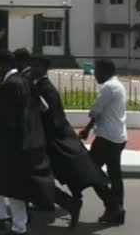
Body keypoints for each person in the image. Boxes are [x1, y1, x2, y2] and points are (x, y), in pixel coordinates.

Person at [0, 51, 54, 235]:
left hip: (10, 145)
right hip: (26, 142)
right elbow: (43, 107)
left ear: (2, 66)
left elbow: (2, 121)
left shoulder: (10, 86)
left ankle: (18, 227)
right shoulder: (25, 81)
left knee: (13, 187)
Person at [30, 56, 110, 228]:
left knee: (76, 175)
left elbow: (49, 115)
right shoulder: (40, 86)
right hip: (57, 139)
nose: (33, 68)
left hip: (56, 140)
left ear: (44, 68)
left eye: (37, 65)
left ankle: (78, 204)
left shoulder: (45, 89)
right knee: (72, 175)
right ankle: (54, 203)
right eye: (33, 65)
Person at [78, 59, 127, 225]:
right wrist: (88, 129)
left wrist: (86, 129)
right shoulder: (119, 85)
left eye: (97, 71)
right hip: (119, 137)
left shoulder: (108, 87)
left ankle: (113, 206)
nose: (95, 75)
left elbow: (95, 110)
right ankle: (117, 211)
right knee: (115, 175)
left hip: (106, 138)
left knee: (91, 172)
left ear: (105, 71)